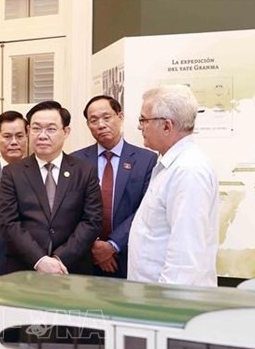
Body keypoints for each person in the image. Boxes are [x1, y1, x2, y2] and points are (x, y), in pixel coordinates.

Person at [128, 84, 219, 286]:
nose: (140, 127)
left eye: (144, 120)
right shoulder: (170, 165)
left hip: (168, 303)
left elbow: (185, 256)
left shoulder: (188, 170)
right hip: (152, 297)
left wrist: (166, 308)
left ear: (167, 126)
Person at [0, 101, 101, 275]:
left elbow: (92, 220)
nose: (42, 135)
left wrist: (60, 259)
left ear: (66, 132)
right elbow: (9, 222)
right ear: (29, 131)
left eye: (51, 129)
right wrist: (39, 260)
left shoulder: (84, 171)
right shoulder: (12, 173)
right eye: (36, 129)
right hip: (25, 269)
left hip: (71, 268)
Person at [72, 95, 157, 278]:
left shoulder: (146, 160)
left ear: (120, 116)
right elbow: (71, 210)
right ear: (88, 125)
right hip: (86, 257)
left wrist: (112, 245)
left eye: (107, 117)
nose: (101, 124)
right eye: (93, 120)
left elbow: (145, 209)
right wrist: (94, 246)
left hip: (127, 255)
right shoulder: (76, 161)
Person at [0, 110, 28, 281]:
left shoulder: (40, 174)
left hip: (30, 267)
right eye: (7, 136)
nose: (14, 142)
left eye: (19, 136)